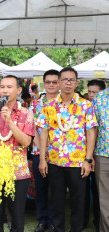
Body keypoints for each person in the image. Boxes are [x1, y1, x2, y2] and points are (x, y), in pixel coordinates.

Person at [38, 67, 98, 232]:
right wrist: (42, 159)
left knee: (78, 201)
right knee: (56, 200)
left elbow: (91, 131)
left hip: (78, 162)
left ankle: (76, 229)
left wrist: (88, 159)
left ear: (77, 83)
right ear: (59, 82)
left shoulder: (85, 105)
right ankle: (58, 229)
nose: (68, 83)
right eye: (64, 79)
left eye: (72, 80)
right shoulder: (49, 106)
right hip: (55, 161)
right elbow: (43, 132)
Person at [0, 75, 34, 232]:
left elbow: (26, 142)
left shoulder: (26, 113)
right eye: (2, 87)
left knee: (17, 217)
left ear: (19, 90)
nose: (5, 90)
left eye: (9, 87)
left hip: (18, 172)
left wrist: (9, 121)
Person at [29, 69, 60, 232]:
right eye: (48, 82)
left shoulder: (64, 104)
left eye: (55, 82)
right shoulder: (36, 104)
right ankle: (42, 220)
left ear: (60, 83)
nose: (51, 85)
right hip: (38, 151)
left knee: (56, 188)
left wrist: (51, 147)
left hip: (59, 154)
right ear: (44, 83)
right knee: (40, 187)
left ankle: (55, 220)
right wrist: (42, 147)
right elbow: (32, 128)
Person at [84, 79, 105, 230]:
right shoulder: (86, 106)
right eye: (89, 92)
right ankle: (88, 221)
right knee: (87, 193)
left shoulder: (100, 105)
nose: (91, 95)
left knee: (100, 194)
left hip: (98, 155)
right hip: (88, 156)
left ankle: (98, 220)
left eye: (94, 92)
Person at [92, 86, 109, 232]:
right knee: (104, 200)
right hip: (103, 155)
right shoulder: (99, 98)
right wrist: (90, 156)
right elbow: (93, 128)